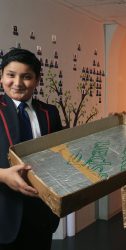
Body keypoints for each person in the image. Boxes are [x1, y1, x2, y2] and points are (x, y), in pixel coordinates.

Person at [0, 48, 62, 250]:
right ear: (1, 77)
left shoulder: (49, 113)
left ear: (36, 80)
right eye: (11, 75)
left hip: (41, 215)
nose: (17, 83)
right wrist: (2, 175)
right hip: (4, 215)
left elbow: (60, 155)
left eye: (26, 76)